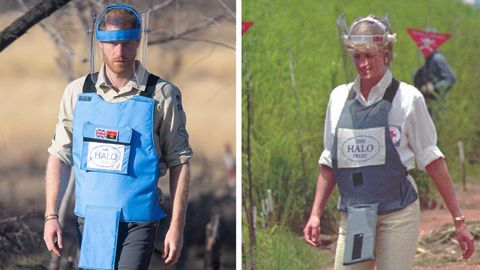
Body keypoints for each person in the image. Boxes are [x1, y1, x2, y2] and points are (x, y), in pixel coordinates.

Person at [303, 15, 474, 269]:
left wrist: (458, 220)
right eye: (357, 56)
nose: (363, 64)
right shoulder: (338, 98)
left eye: (369, 56)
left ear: (386, 53)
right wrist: (315, 214)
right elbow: (329, 160)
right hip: (355, 215)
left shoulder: (408, 99)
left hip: (397, 213)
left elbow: (432, 159)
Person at [43, 3, 193, 269]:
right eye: (112, 43)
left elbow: (180, 161)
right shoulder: (77, 92)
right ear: (100, 43)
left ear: (138, 42)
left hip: (139, 221)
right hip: (90, 219)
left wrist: (176, 227)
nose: (120, 51)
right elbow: (59, 155)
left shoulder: (162, 94)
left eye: (126, 42)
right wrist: (51, 215)